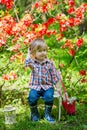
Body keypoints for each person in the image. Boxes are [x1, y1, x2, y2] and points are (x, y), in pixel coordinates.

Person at [24, 38, 60, 123]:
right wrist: (28, 53)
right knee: (32, 98)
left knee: (49, 97)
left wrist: (57, 87)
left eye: (44, 50)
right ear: (33, 53)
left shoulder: (49, 63)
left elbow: (54, 76)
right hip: (35, 87)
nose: (43, 52)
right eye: (39, 51)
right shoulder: (32, 63)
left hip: (47, 87)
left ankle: (47, 114)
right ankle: (34, 114)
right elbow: (26, 63)